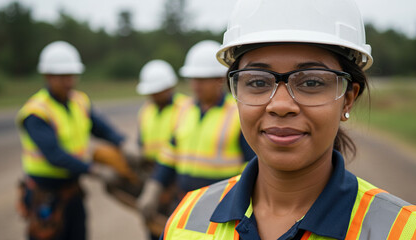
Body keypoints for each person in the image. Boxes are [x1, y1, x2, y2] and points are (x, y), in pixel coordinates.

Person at [161, 1, 416, 239]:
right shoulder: (186, 220)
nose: (280, 105)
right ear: (236, 93)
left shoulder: (407, 232)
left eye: (311, 82)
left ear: (348, 98)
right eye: (257, 81)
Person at [16, 41, 129, 240]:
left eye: (71, 76)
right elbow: (54, 155)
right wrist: (94, 170)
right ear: (48, 76)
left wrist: (122, 142)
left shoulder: (79, 101)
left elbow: (100, 128)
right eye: (62, 77)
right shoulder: (36, 112)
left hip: (72, 192)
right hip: (46, 195)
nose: (68, 82)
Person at [137, 40, 255, 223]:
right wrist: (154, 187)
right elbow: (169, 155)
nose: (195, 86)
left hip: (222, 208)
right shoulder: (184, 111)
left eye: (201, 80)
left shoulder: (237, 114)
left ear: (219, 79)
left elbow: (252, 166)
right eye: (193, 79)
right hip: (185, 202)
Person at [136, 59, 190, 164]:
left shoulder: (185, 107)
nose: (154, 96)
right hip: (150, 167)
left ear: (169, 87)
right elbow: (141, 142)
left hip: (175, 168)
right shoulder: (146, 110)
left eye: (158, 92)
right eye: (151, 92)